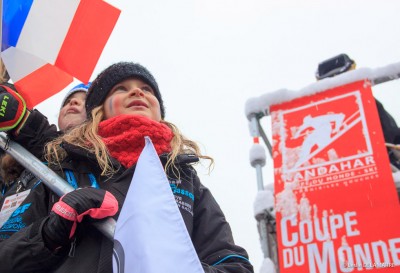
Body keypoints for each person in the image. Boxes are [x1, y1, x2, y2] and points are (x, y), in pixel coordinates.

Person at [0, 62, 253, 273]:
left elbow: (233, 265)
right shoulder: (60, 167)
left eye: (146, 89)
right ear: (98, 109)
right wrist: (51, 232)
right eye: (121, 88)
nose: (137, 93)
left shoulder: (184, 179)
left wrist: (181, 267)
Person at [0, 83, 91, 240]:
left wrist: (24, 120)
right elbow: (42, 140)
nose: (73, 102)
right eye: (69, 99)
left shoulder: (97, 161)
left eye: (86, 100)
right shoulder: (19, 159)